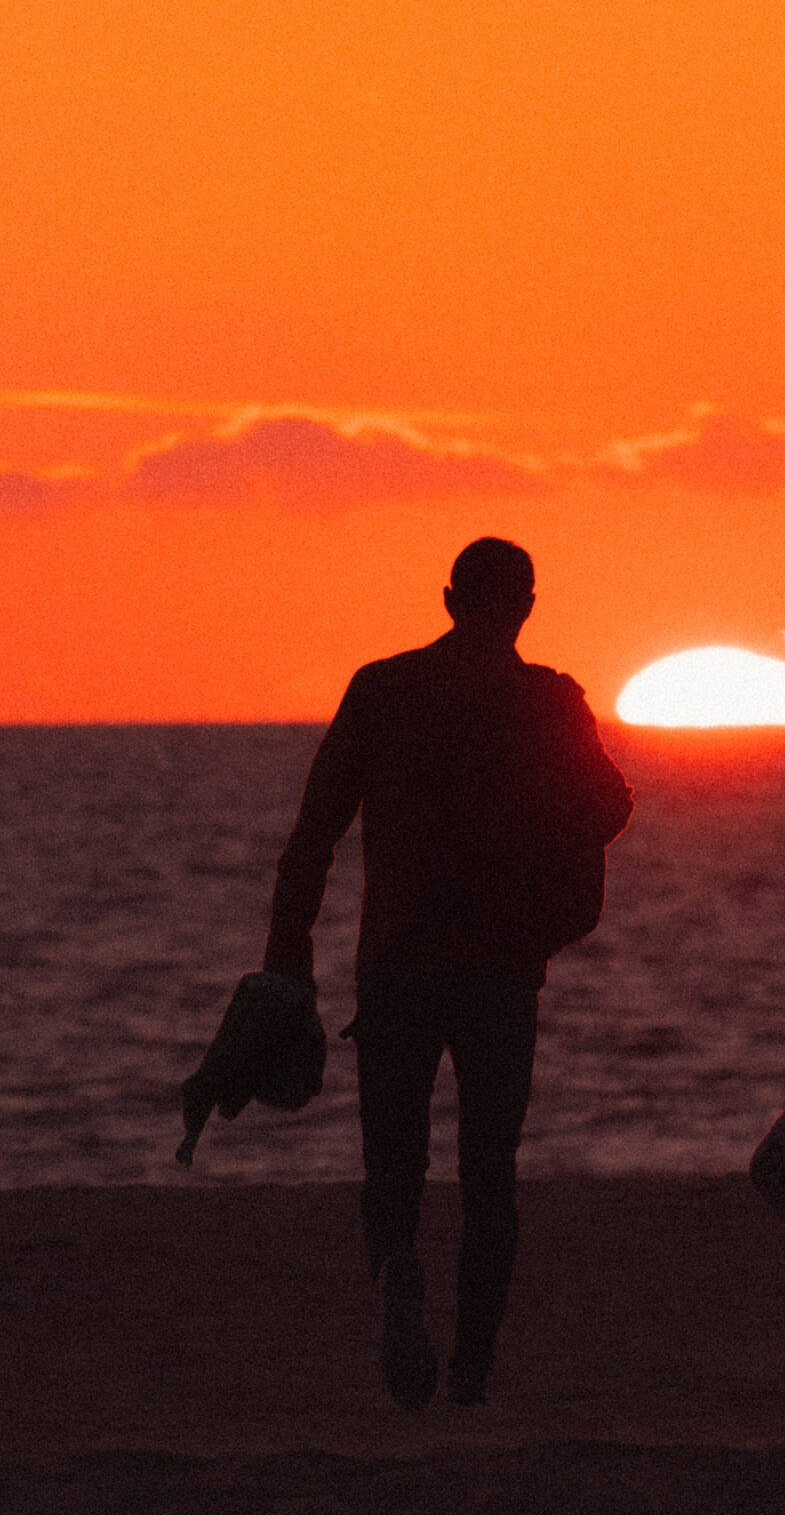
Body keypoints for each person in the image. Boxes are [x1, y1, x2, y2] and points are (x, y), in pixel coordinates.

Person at [262, 538, 634, 1409]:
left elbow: (314, 832)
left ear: (447, 599)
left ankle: (397, 1268)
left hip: (396, 962)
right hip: (501, 966)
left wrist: (289, 951)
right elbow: (611, 805)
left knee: (392, 1159)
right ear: (527, 607)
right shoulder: (549, 701)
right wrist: (539, 839)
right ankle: (471, 1362)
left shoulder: (382, 688)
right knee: (489, 1169)